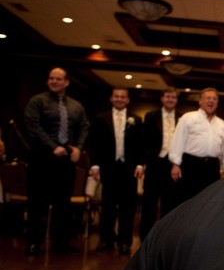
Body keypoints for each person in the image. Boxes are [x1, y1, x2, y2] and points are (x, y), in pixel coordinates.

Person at [24, 67, 89, 256]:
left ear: (66, 82)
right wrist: (52, 146)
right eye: (51, 78)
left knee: (63, 203)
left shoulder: (76, 106)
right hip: (41, 159)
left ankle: (60, 242)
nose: (54, 81)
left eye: (58, 78)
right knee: (37, 203)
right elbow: (33, 127)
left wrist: (78, 147)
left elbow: (84, 127)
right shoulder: (37, 101)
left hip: (66, 162)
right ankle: (34, 242)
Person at [90, 87, 144, 254]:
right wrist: (95, 165)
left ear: (128, 100)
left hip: (129, 168)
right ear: (111, 99)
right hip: (108, 167)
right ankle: (106, 240)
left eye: (123, 97)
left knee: (128, 207)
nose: (119, 99)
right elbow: (95, 143)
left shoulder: (135, 119)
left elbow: (140, 145)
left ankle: (125, 242)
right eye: (116, 96)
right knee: (108, 206)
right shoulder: (100, 119)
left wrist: (140, 164)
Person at [168, 88, 224, 204]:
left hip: (212, 167)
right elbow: (178, 141)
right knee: (186, 200)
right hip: (190, 165)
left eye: (214, 99)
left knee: (208, 201)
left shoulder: (222, 125)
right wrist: (175, 164)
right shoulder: (188, 118)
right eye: (208, 98)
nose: (211, 101)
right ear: (200, 101)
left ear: (217, 103)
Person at [139, 88, 180, 239]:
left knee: (169, 203)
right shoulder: (151, 116)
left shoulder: (181, 117)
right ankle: (145, 236)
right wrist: (145, 160)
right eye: (168, 96)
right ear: (162, 98)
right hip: (155, 163)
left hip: (173, 165)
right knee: (149, 201)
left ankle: (163, 237)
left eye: (173, 97)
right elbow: (144, 140)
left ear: (176, 100)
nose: (170, 99)